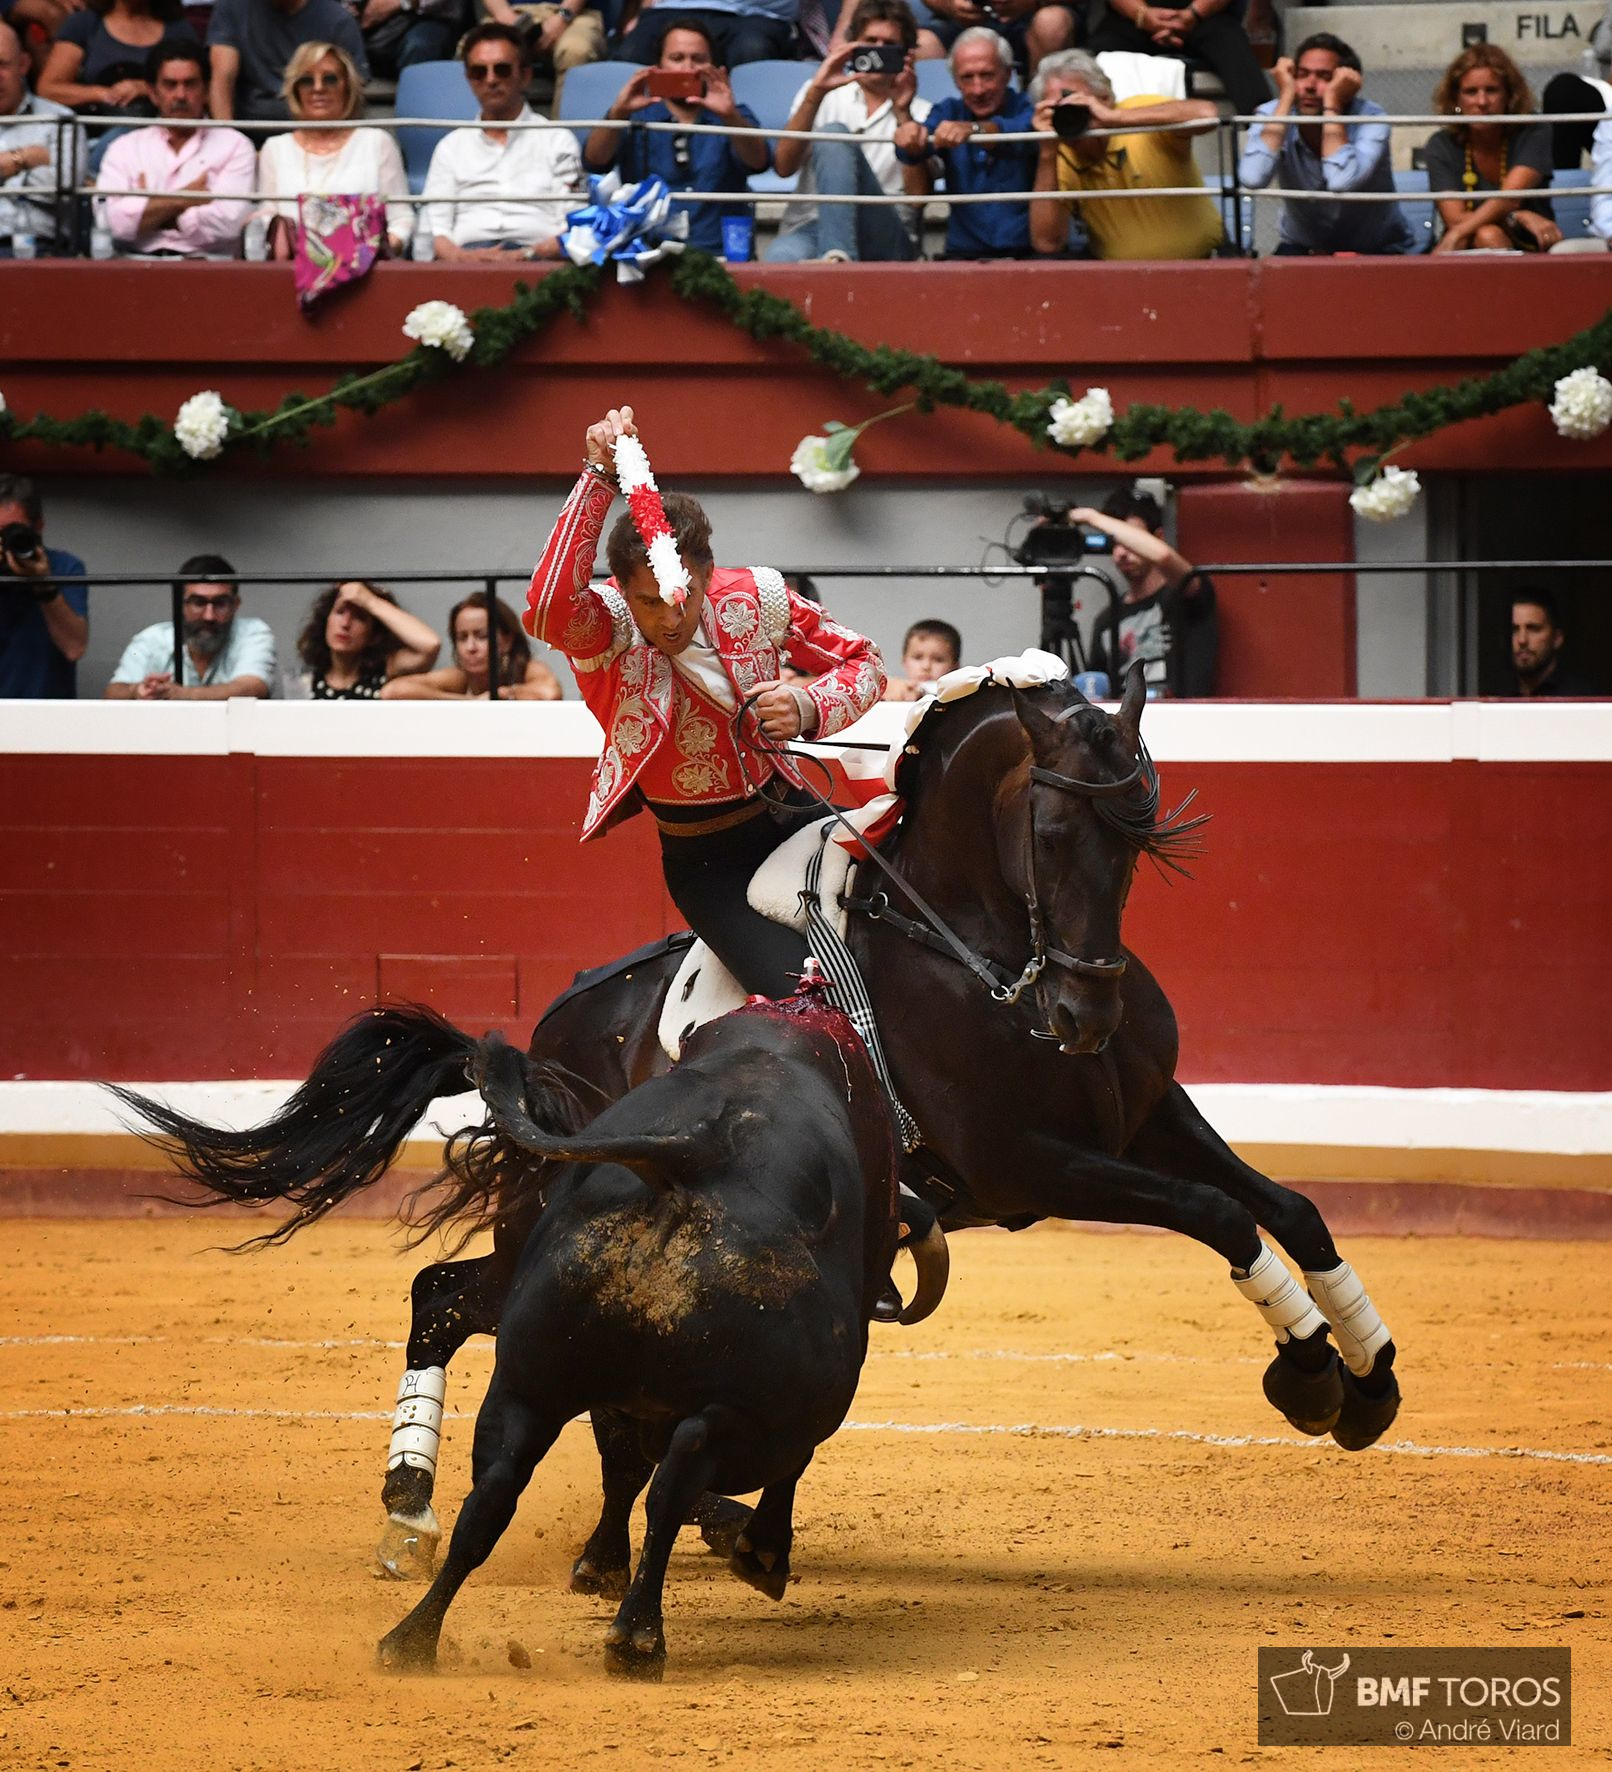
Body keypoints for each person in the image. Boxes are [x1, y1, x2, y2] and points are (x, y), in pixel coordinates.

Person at [523, 404, 886, 998]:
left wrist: (809, 705)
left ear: (708, 573)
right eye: (647, 601)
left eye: (682, 595)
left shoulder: (755, 596)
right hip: (708, 862)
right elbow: (546, 605)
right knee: (812, 999)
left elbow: (865, 661)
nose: (668, 620)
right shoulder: (606, 626)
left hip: (794, 815)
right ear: (618, 587)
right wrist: (596, 475)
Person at [766, 0, 930, 264]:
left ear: (906, 53)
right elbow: (784, 167)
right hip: (811, 226)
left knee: (834, 134)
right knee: (778, 258)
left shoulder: (921, 113)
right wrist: (815, 94)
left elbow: (918, 201)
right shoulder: (820, 95)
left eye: (889, 45)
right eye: (870, 41)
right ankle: (837, 258)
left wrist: (903, 113)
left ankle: (838, 260)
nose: (878, 51)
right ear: (853, 46)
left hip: (885, 235)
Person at [582, 23, 766, 255]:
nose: (688, 68)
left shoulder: (736, 114)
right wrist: (618, 113)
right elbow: (594, 161)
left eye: (698, 59)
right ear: (658, 66)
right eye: (677, 58)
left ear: (714, 67)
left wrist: (729, 116)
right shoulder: (634, 116)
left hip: (719, 255)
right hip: (647, 258)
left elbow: (758, 162)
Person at [1029, 48, 1221, 260]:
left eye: (1074, 102)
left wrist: (1114, 118)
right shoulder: (1059, 156)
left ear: (1105, 97)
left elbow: (1208, 115)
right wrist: (1047, 152)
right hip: (1121, 281)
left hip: (1200, 267)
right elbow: (1047, 243)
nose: (1068, 113)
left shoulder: (1139, 113)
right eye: (1058, 109)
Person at [1237, 34, 1414, 257]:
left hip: (1376, 250)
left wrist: (1332, 104)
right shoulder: (1274, 113)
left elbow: (1341, 181)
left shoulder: (1371, 118)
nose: (1310, 86)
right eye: (1302, 75)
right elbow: (1252, 178)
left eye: (1324, 77)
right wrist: (1286, 96)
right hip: (1302, 248)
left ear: (1346, 85)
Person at [422, 25, 583, 261]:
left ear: (526, 76)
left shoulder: (557, 139)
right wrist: (462, 258)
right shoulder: (450, 146)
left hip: (539, 260)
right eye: (479, 72)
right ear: (468, 79)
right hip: (465, 264)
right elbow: (435, 229)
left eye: (502, 70)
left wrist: (525, 255)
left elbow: (574, 223)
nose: (491, 80)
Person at [95, 43, 256, 258]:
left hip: (208, 269)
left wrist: (149, 208)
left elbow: (228, 225)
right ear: (153, 93)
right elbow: (112, 223)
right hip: (135, 265)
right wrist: (184, 199)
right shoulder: (125, 148)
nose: (180, 95)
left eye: (190, 84)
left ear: (207, 90)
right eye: (170, 85)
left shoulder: (235, 145)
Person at [893, 27, 1039, 259]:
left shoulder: (1028, 107)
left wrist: (972, 130)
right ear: (955, 82)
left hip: (1029, 255)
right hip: (962, 255)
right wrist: (904, 118)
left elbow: (1019, 133)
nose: (978, 89)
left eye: (987, 75)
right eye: (967, 78)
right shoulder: (948, 110)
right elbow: (916, 147)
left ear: (1008, 74)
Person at [257, 41, 411, 256]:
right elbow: (268, 219)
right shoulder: (275, 149)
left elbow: (401, 219)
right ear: (295, 89)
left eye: (329, 79)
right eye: (306, 80)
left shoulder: (377, 142)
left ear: (347, 87)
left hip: (367, 271)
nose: (318, 88)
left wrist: (374, 252)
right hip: (293, 272)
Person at [1079, 488, 1216, 698]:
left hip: (1182, 720)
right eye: (1114, 543)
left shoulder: (1184, 595)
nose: (1121, 552)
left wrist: (1091, 518)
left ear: (1158, 536)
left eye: (1130, 540)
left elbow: (1163, 556)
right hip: (1125, 725)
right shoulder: (1106, 620)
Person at [1426, 44, 1559, 255]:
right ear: (1456, 100)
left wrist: (1457, 233)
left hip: (1532, 243)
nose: (1482, 102)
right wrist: (1516, 217)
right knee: (1487, 234)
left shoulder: (1534, 131)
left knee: (1487, 234)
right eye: (1471, 92)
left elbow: (1511, 197)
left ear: (1509, 95)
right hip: (1465, 245)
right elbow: (1453, 218)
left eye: (1492, 90)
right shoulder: (1441, 143)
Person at [105, 555, 276, 699]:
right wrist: (137, 691)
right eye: (199, 603)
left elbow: (252, 687)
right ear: (180, 604)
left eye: (220, 603)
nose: (209, 616)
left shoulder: (253, 633)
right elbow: (113, 692)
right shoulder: (151, 639)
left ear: (236, 605)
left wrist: (182, 695)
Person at [1080, 0, 1268, 118]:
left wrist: (1192, 15)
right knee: (1096, 55)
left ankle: (1265, 134)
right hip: (1133, 17)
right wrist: (1143, 15)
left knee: (1233, 47)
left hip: (1207, 16)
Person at [0, 473, 89, 700]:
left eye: (12, 532)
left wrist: (43, 583)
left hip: (43, 715)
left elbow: (74, 647)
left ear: (37, 526)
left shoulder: (64, 567)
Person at [207, 0, 368, 123]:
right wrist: (230, 144)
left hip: (316, 129)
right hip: (249, 130)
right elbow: (222, 79)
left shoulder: (338, 20)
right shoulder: (232, 7)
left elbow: (352, 95)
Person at [37, 0, 197, 121]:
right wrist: (105, 94)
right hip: (96, 131)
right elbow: (49, 89)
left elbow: (200, 87)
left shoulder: (178, 29)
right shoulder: (85, 23)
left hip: (158, 131)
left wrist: (145, 88)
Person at [380, 593, 563, 699]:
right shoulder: (460, 677)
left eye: (482, 636)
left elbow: (551, 693)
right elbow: (392, 691)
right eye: (461, 638)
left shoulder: (529, 669)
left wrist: (504, 694)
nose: (470, 647)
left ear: (507, 641)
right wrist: (469, 703)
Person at [0, 18, 80, 253]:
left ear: (24, 64)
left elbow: (63, 188)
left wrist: (8, 167)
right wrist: (25, 159)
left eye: (2, 64)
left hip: (41, 249)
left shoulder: (60, 119)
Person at [294, 579, 441, 698]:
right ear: (326, 621)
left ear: (374, 634)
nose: (345, 624)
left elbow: (430, 645)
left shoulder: (387, 670)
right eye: (340, 612)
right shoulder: (305, 682)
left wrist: (369, 601)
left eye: (359, 617)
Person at [904, 0, 1074, 79]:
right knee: (923, 43)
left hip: (1029, 20)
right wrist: (950, 5)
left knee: (1052, 22)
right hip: (962, 21)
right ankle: (940, 127)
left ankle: (1046, 109)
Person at [614, 0, 797, 73]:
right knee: (632, 51)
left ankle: (752, 138)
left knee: (752, 49)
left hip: (756, 14)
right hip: (675, 7)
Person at [478, 0, 603, 86]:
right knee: (478, 52)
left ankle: (567, 125)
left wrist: (563, 17)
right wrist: (505, 15)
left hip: (575, 13)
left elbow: (567, 14)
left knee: (575, 51)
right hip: (510, 11)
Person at [354, 0, 465, 83]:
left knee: (419, 45)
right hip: (365, 17)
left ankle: (415, 107)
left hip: (430, 17)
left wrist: (402, 2)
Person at [1508, 590, 1594, 698]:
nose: (1522, 640)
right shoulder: (1495, 698)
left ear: (1557, 638)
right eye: (1514, 629)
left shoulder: (1579, 699)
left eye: (1533, 629)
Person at [882, 616, 960, 699]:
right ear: (904, 661)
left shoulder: (961, 697)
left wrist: (920, 691)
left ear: (954, 666)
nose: (926, 666)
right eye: (917, 658)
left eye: (938, 660)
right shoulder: (895, 690)